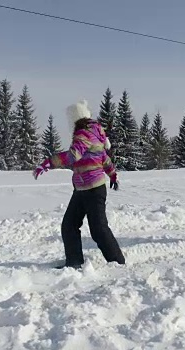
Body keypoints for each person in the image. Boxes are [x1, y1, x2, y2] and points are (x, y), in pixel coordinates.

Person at [33, 100, 125, 269]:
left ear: (74, 120)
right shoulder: (95, 133)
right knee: (69, 225)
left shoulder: (83, 134)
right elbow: (104, 159)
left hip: (93, 189)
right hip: (83, 189)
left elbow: (72, 156)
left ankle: (118, 263)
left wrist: (48, 162)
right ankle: (74, 263)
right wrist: (112, 175)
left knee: (98, 229)